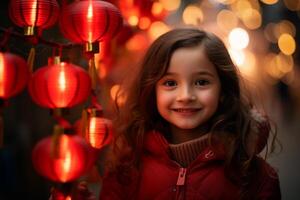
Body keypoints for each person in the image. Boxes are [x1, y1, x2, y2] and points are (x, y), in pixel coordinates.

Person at [97, 28, 281, 199]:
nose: (185, 96)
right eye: (170, 83)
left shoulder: (254, 176)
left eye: (201, 82)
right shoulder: (126, 170)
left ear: (223, 91)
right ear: (151, 90)